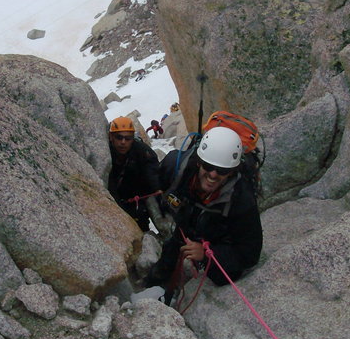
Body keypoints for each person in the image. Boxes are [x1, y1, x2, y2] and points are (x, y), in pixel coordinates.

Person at [145, 126, 263, 300]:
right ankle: (153, 283)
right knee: (172, 249)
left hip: (217, 234)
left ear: (232, 171)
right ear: (199, 162)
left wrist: (208, 254)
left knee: (223, 276)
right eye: (208, 166)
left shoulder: (242, 200)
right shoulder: (177, 166)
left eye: (222, 170)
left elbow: (250, 253)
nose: (213, 175)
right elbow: (156, 183)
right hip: (186, 222)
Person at [107, 116, 162, 231]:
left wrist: (157, 188)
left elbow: (152, 173)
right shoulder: (106, 152)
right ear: (111, 137)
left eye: (128, 138)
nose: (123, 142)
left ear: (133, 139)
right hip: (115, 199)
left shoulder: (142, 151)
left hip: (137, 200)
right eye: (119, 137)